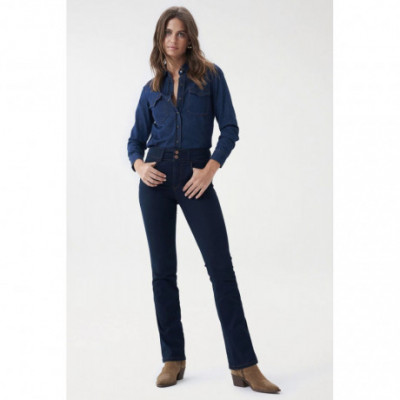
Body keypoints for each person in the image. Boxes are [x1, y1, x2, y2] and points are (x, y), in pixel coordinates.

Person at [127, 6, 281, 394]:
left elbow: (229, 128)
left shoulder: (211, 77)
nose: (173, 39)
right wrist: (140, 166)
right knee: (163, 272)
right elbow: (134, 141)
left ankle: (244, 364)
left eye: (180, 33)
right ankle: (173, 358)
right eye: (167, 32)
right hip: (156, 180)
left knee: (221, 269)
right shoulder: (151, 89)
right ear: (160, 38)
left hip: (196, 176)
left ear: (190, 38)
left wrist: (210, 169)